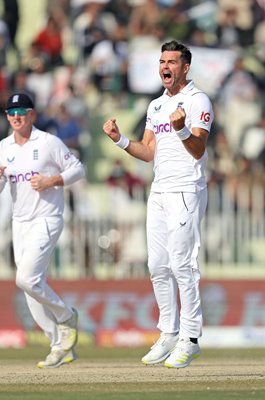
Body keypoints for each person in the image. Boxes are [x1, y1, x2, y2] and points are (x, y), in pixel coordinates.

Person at [103, 40, 214, 369]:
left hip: (186, 189)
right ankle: (168, 332)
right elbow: (148, 151)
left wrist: (181, 130)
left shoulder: (197, 100)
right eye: (162, 61)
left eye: (172, 61)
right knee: (157, 266)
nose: (165, 66)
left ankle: (190, 338)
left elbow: (198, 149)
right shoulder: (155, 106)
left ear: (185, 67)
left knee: (183, 264)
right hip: (160, 190)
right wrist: (120, 140)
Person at [0, 92, 85, 368]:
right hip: (21, 222)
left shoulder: (48, 143)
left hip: (47, 218)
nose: (16, 117)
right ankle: (59, 345)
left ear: (32, 115)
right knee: (30, 290)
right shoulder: (4, 148)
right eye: (11, 113)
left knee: (26, 279)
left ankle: (66, 316)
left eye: (21, 112)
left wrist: (52, 181)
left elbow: (78, 169)